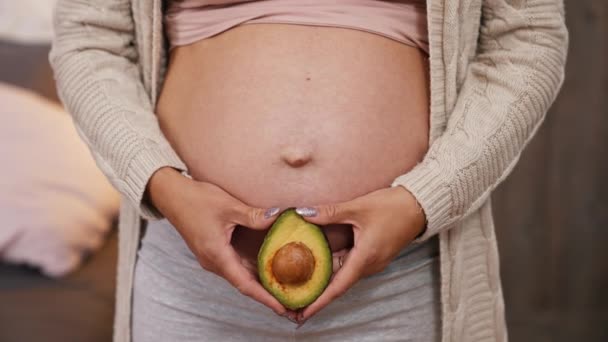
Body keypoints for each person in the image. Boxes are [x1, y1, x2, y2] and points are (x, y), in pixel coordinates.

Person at [49, 0, 568, 341]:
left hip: (401, 286)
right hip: (192, 288)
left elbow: (527, 40)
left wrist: (424, 199)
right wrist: (161, 184)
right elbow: (90, 38)